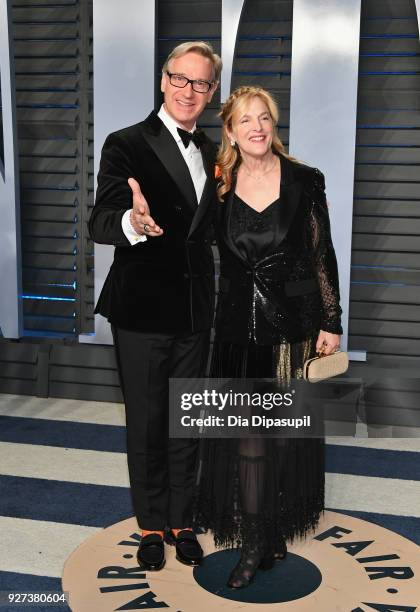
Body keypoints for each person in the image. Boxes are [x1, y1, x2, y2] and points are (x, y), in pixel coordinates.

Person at [192, 86, 343, 588]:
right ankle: (256, 541)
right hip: (237, 332)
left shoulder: (304, 181)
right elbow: (191, 248)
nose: (257, 127)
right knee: (249, 441)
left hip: (293, 332)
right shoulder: (218, 187)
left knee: (281, 437)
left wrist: (330, 320)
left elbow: (320, 256)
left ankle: (272, 532)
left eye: (265, 118)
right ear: (230, 132)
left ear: (274, 126)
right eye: (245, 120)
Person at [88, 41, 222, 572]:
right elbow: (100, 223)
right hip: (141, 309)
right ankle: (149, 524)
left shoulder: (216, 152)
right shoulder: (126, 144)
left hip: (194, 308)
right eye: (181, 79)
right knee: (146, 422)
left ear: (212, 93)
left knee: (185, 419)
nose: (190, 91)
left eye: (202, 83)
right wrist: (132, 224)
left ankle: (181, 521)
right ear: (164, 81)